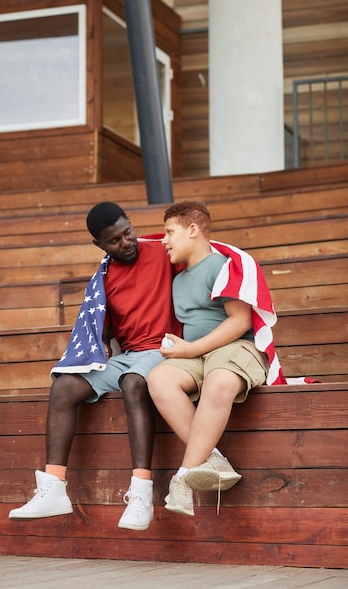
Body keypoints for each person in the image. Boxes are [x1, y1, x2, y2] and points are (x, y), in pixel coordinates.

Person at [9, 201, 182, 530]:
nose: (126, 242)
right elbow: (99, 333)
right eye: (114, 241)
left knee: (133, 382)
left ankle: (142, 491)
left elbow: (204, 256)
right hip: (129, 354)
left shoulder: (161, 250)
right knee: (63, 385)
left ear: (131, 225)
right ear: (99, 245)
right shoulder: (102, 279)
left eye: (127, 232)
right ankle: (54, 487)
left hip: (165, 349)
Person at [147, 201, 270, 517]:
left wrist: (189, 349)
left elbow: (240, 321)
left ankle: (183, 479)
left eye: (170, 232)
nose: (164, 240)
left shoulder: (222, 266)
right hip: (197, 354)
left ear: (193, 229)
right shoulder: (177, 280)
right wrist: (183, 348)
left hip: (234, 348)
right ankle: (212, 458)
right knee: (158, 379)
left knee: (218, 382)